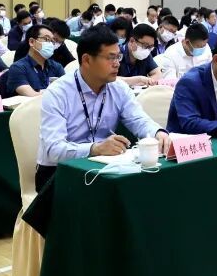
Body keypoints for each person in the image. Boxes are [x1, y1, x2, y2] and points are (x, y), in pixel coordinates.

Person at [35, 26, 173, 190]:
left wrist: (158, 133)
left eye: (118, 57)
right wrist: (95, 148)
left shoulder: (119, 88)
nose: (117, 64)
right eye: (110, 58)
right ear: (87, 60)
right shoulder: (58, 93)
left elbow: (138, 119)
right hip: (59, 174)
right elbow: (53, 150)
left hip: (101, 168)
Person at [3, 24, 66, 98]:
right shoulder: (18, 68)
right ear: (32, 42)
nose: (50, 44)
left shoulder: (57, 67)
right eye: (46, 39)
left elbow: (66, 92)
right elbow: (33, 96)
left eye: (52, 41)